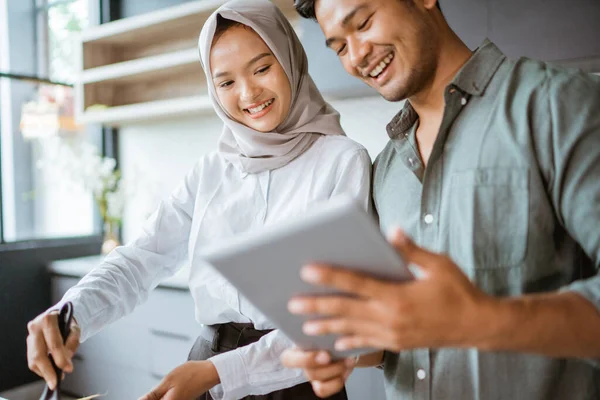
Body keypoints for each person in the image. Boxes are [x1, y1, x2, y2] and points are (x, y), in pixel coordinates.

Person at [26, 1, 372, 399]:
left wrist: (218, 372)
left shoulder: (342, 161)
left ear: (290, 59)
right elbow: (140, 259)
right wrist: (70, 312)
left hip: (296, 378)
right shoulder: (209, 171)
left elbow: (336, 315)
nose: (248, 93)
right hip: (206, 363)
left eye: (262, 68)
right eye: (226, 82)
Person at [281, 0, 600, 399]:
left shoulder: (556, 104)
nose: (358, 55)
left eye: (363, 23)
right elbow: (398, 335)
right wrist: (345, 349)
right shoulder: (384, 171)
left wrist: (480, 320)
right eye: (340, 47)